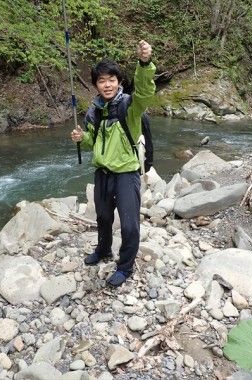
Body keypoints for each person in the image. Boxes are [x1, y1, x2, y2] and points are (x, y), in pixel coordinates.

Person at [70, 40, 156, 287]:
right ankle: (103, 250)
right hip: (102, 173)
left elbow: (145, 91)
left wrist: (145, 63)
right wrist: (82, 138)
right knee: (103, 217)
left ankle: (126, 266)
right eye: (101, 81)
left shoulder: (131, 106)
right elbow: (93, 142)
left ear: (118, 81)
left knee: (129, 225)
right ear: (96, 85)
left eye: (111, 79)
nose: (107, 85)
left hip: (126, 174)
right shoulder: (94, 111)